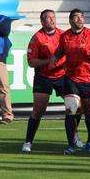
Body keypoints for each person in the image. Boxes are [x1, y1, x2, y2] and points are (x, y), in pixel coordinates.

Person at [50, 9, 90, 154]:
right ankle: (70, 145)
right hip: (71, 78)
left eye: (81, 17)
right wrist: (54, 59)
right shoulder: (65, 36)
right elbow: (61, 51)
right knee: (71, 109)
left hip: (88, 79)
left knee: (88, 112)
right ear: (70, 20)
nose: (79, 19)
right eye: (76, 17)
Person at [22, 9, 67, 152]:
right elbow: (31, 62)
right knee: (38, 111)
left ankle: (74, 137)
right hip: (44, 77)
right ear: (42, 22)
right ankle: (28, 142)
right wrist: (50, 61)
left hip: (62, 75)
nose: (52, 20)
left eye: (53, 17)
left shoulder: (63, 35)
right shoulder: (37, 38)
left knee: (74, 107)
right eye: (48, 18)